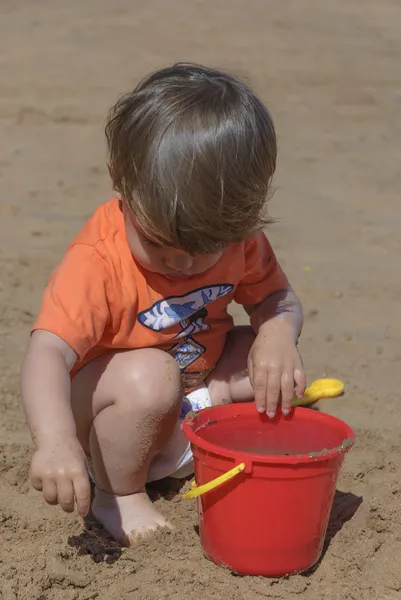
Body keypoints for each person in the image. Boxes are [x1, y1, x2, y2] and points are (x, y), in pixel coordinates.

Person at [20, 63, 306, 545]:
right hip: (111, 423)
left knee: (261, 352)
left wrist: (277, 335)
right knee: (150, 374)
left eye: (203, 250)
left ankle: (200, 433)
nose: (182, 263)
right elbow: (46, 353)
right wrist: (55, 441)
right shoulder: (98, 261)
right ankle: (119, 495)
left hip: (190, 395)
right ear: (119, 180)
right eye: (158, 243)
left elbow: (276, 297)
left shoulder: (239, 238)